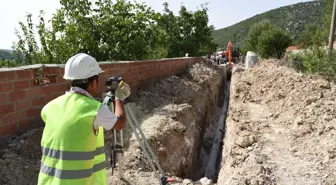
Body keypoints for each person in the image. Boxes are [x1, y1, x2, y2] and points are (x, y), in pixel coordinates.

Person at [37, 53, 131, 185]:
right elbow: (120, 123)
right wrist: (119, 98)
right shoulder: (93, 109)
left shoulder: (50, 107)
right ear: (93, 83)